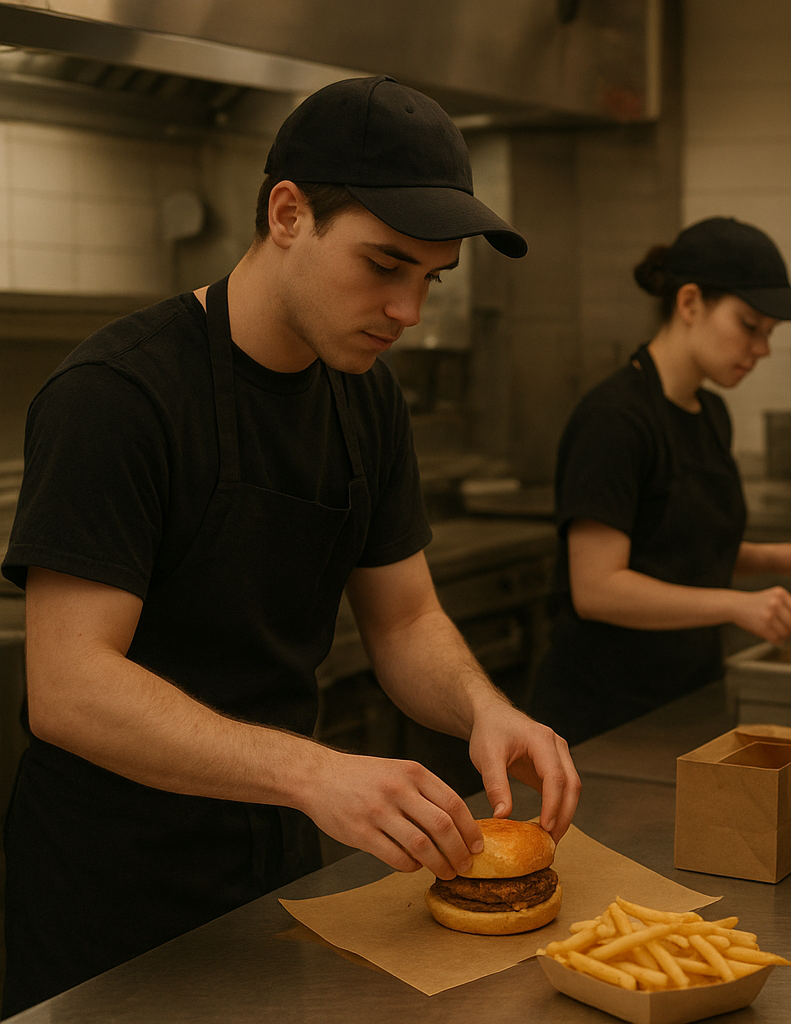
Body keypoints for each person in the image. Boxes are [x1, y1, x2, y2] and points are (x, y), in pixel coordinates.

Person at [0, 76, 580, 1014]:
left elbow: (406, 620)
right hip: (112, 891)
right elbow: (69, 688)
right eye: (384, 266)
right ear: (286, 214)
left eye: (429, 280)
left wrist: (484, 708)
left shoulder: (367, 398)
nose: (408, 312)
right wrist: (314, 772)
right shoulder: (118, 395)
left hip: (278, 860)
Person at [528, 217, 791, 745]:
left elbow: (678, 546)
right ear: (689, 303)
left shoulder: (710, 415)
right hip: (604, 718)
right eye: (749, 326)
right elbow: (597, 589)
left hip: (686, 698)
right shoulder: (614, 419)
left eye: (769, 333)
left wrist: (780, 557)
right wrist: (736, 604)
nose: (762, 349)